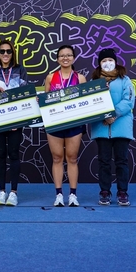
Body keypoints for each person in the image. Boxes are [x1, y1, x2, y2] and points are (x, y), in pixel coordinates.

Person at [89, 48, 135, 206]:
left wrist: (113, 114)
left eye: (110, 60)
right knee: (104, 161)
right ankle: (104, 191)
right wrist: (104, 115)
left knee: (122, 161)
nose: (107, 63)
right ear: (99, 64)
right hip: (101, 128)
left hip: (121, 127)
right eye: (104, 61)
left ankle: (122, 192)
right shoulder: (94, 81)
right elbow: (90, 103)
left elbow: (128, 100)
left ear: (115, 61)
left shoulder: (125, 80)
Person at [0, 40, 29, 206]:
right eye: (2, 51)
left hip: (15, 118)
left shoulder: (19, 70)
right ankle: (2, 191)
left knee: (14, 153)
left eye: (8, 51)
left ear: (13, 53)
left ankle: (14, 192)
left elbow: (25, 93)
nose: (5, 54)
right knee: (0, 154)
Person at [44, 45, 87, 207]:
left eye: (69, 55)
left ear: (73, 58)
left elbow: (85, 102)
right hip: (55, 123)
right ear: (57, 59)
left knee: (72, 158)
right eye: (62, 55)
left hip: (74, 123)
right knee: (57, 158)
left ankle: (73, 195)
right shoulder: (51, 78)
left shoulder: (80, 78)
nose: (65, 58)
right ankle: (59, 195)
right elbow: (46, 100)